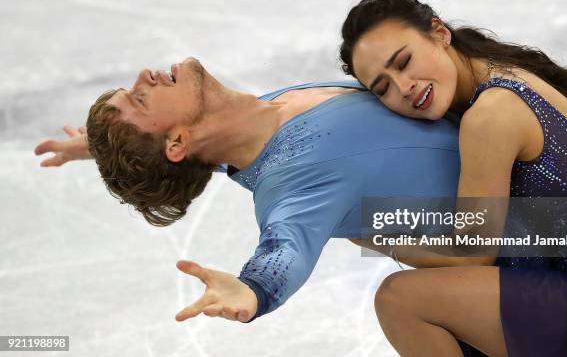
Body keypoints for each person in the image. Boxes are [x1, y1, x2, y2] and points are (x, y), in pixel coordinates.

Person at [36, 57, 493, 332]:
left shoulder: (250, 122)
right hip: (552, 233)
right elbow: (284, 246)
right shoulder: (292, 187)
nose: (143, 75)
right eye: (139, 100)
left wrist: (97, 146)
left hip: (533, 155)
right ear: (175, 143)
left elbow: (190, 154)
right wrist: (253, 290)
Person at [340, 0, 567, 357]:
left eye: (404, 62)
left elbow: (471, 254)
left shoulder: (491, 115)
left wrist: (368, 233)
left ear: (439, 32)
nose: (405, 88)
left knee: (401, 300)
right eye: (384, 87)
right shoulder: (501, 72)